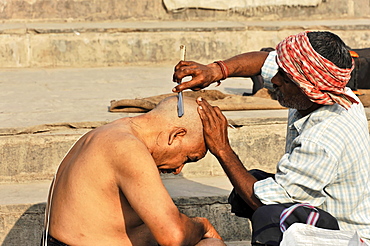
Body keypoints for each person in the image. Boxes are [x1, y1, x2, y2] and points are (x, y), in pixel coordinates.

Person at [172, 31, 370, 245]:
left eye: (283, 78)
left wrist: (222, 149)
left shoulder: (321, 139)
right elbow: (264, 62)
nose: (273, 80)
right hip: (323, 210)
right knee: (250, 182)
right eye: (279, 71)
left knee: (269, 216)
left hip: (346, 237)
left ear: (307, 89)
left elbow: (262, 202)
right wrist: (215, 70)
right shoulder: (332, 92)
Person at [41, 96, 225, 246]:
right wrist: (202, 225)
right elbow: (174, 237)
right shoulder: (126, 148)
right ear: (176, 135)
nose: (178, 169)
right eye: (188, 158)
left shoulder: (107, 132)